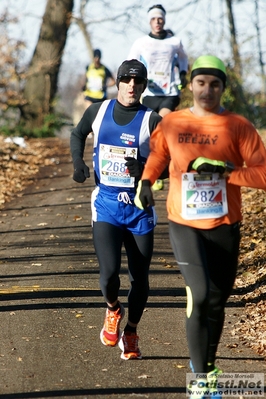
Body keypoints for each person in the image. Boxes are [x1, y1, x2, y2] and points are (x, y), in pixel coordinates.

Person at [134, 55, 266, 398]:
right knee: (202, 294)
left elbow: (263, 173)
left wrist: (227, 173)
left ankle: (204, 367)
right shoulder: (174, 122)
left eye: (215, 84)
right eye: (201, 83)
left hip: (225, 224)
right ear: (189, 85)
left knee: (218, 301)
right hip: (184, 223)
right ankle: (202, 379)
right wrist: (147, 181)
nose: (207, 90)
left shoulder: (238, 127)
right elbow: (159, 155)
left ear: (223, 88)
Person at [70, 59, 162, 360]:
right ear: (118, 82)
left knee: (140, 279)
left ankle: (131, 330)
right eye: (126, 80)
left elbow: (171, 159)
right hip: (107, 205)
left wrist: (146, 168)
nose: (131, 86)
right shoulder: (99, 111)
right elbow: (77, 133)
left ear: (144, 85)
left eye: (138, 81)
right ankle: (112, 310)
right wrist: (79, 163)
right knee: (109, 274)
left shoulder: (152, 119)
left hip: (139, 209)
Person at [127, 4, 188, 118]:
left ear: (164, 20)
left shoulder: (174, 42)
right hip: (149, 92)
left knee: (162, 120)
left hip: (170, 92)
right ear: (149, 21)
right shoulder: (141, 42)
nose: (157, 22)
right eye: (153, 19)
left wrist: (183, 73)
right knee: (150, 125)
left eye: (160, 19)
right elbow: (130, 63)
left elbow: (183, 57)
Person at [72, 49, 116, 126]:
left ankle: (96, 128)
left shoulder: (105, 69)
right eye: (95, 58)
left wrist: (106, 86)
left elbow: (113, 81)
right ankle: (88, 129)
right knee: (88, 111)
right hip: (89, 94)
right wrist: (84, 85)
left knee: (98, 115)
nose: (96, 60)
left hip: (100, 96)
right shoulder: (88, 67)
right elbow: (85, 77)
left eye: (98, 58)